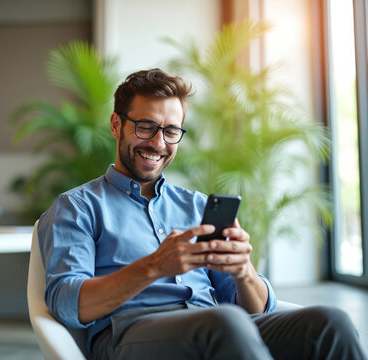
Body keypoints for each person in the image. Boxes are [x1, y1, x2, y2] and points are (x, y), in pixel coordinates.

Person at [38, 68, 366, 359]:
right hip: (129, 335)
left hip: (220, 327)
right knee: (225, 322)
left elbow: (256, 309)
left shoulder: (196, 206)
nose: (158, 143)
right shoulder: (77, 206)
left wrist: (243, 271)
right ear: (116, 124)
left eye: (170, 131)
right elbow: (67, 304)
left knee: (329, 323)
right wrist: (154, 266)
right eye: (146, 127)